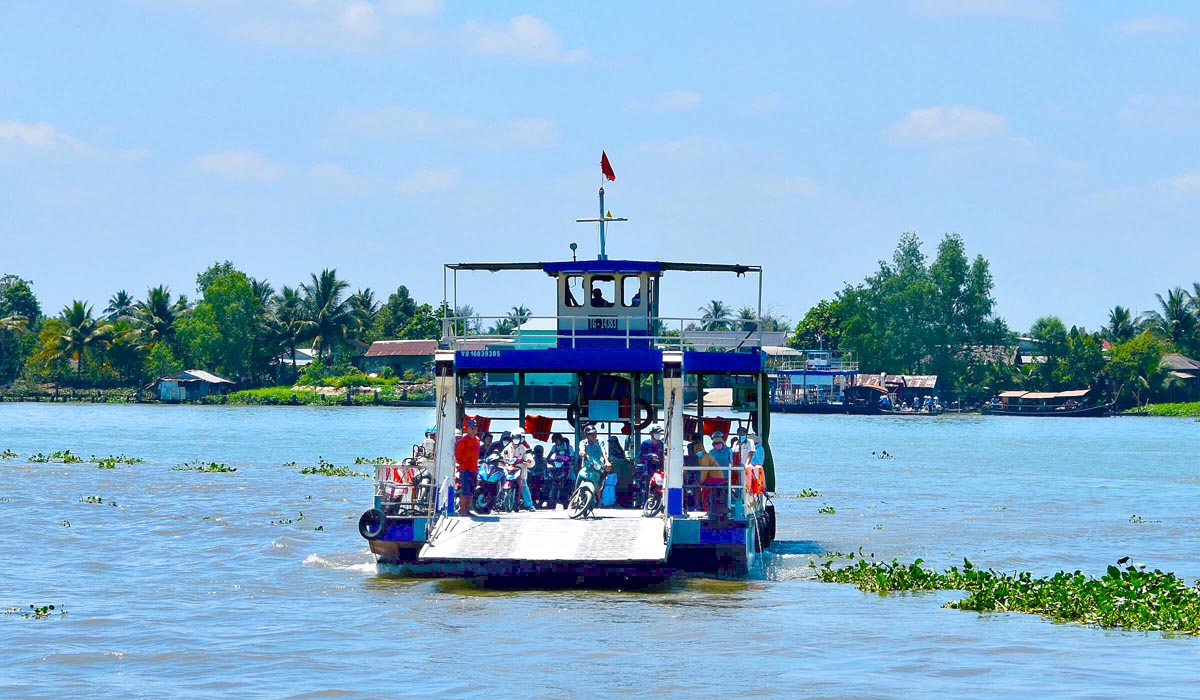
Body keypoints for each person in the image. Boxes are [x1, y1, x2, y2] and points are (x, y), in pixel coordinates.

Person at [501, 429, 536, 511]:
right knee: (501, 482)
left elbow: (529, 458)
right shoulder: (507, 448)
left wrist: (529, 460)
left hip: (520, 471)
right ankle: (500, 502)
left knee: (523, 485)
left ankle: (529, 504)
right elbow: (502, 457)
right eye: (514, 438)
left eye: (518, 438)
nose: (516, 440)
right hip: (509, 470)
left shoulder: (524, 448)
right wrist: (501, 461)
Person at [453, 419, 481, 516]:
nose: (474, 430)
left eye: (475, 428)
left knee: (472, 491)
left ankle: (468, 510)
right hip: (465, 469)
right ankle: (462, 510)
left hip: (474, 469)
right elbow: (457, 455)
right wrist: (464, 463)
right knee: (465, 490)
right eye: (472, 428)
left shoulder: (477, 440)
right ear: (467, 429)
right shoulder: (463, 441)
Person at [576, 425, 609, 490]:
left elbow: (603, 451)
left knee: (604, 481)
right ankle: (575, 492)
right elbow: (581, 450)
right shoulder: (583, 442)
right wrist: (582, 452)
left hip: (598, 467)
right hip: (586, 467)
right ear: (586, 435)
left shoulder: (600, 441)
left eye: (595, 433)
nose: (593, 435)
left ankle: (599, 495)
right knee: (578, 479)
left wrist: (607, 461)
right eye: (590, 434)